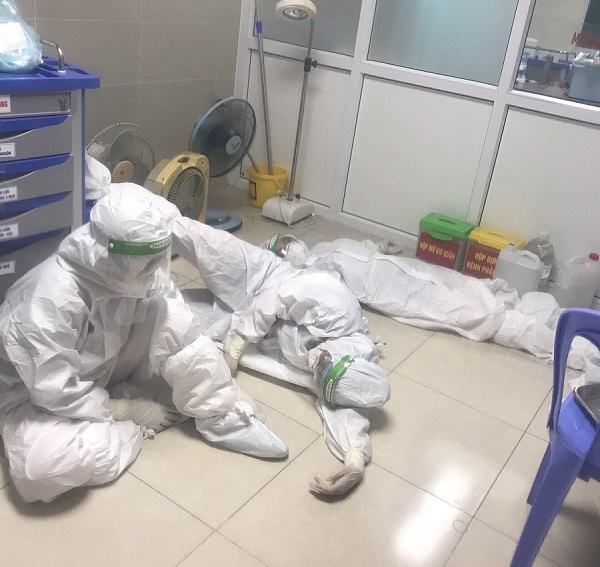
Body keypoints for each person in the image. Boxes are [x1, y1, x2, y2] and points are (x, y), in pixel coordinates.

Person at [0, 186, 287, 504]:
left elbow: (178, 325)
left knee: (173, 316)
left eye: (156, 259)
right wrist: (126, 411)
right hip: (34, 398)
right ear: (110, 253)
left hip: (101, 366)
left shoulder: (129, 270)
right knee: (44, 469)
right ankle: (123, 421)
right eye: (146, 263)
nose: (154, 269)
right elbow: (54, 389)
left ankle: (220, 416)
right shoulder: (48, 301)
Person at [170, 217, 391, 497]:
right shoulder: (339, 307)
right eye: (323, 365)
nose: (317, 370)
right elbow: (279, 298)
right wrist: (235, 348)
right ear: (345, 357)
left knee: (168, 311)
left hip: (253, 328)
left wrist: (354, 462)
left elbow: (350, 414)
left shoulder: (350, 383)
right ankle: (146, 214)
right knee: (199, 241)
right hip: (264, 279)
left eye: (321, 380)